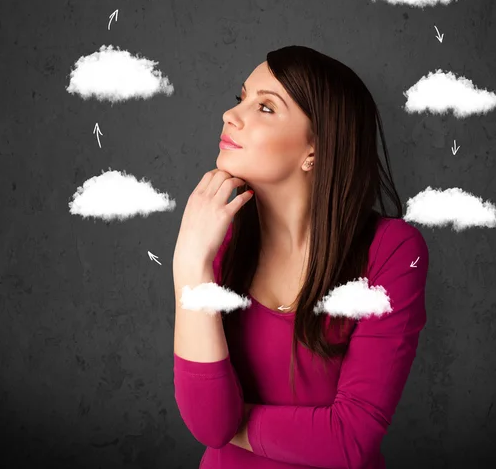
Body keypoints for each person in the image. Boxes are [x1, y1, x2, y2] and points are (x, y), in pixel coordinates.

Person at [173, 45, 429, 468]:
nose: (230, 115)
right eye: (241, 99)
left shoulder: (392, 252)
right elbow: (208, 426)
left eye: (266, 108)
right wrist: (190, 266)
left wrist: (234, 420)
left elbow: (349, 441)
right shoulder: (214, 243)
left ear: (314, 148)